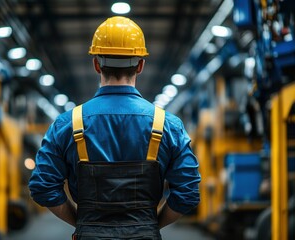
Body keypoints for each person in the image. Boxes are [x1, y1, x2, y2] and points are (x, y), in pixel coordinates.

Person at [29, 16, 200, 239]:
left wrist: (82, 224)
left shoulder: (67, 124)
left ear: (96, 64)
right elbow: (187, 193)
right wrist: (151, 225)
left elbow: (42, 187)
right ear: (140, 65)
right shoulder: (168, 126)